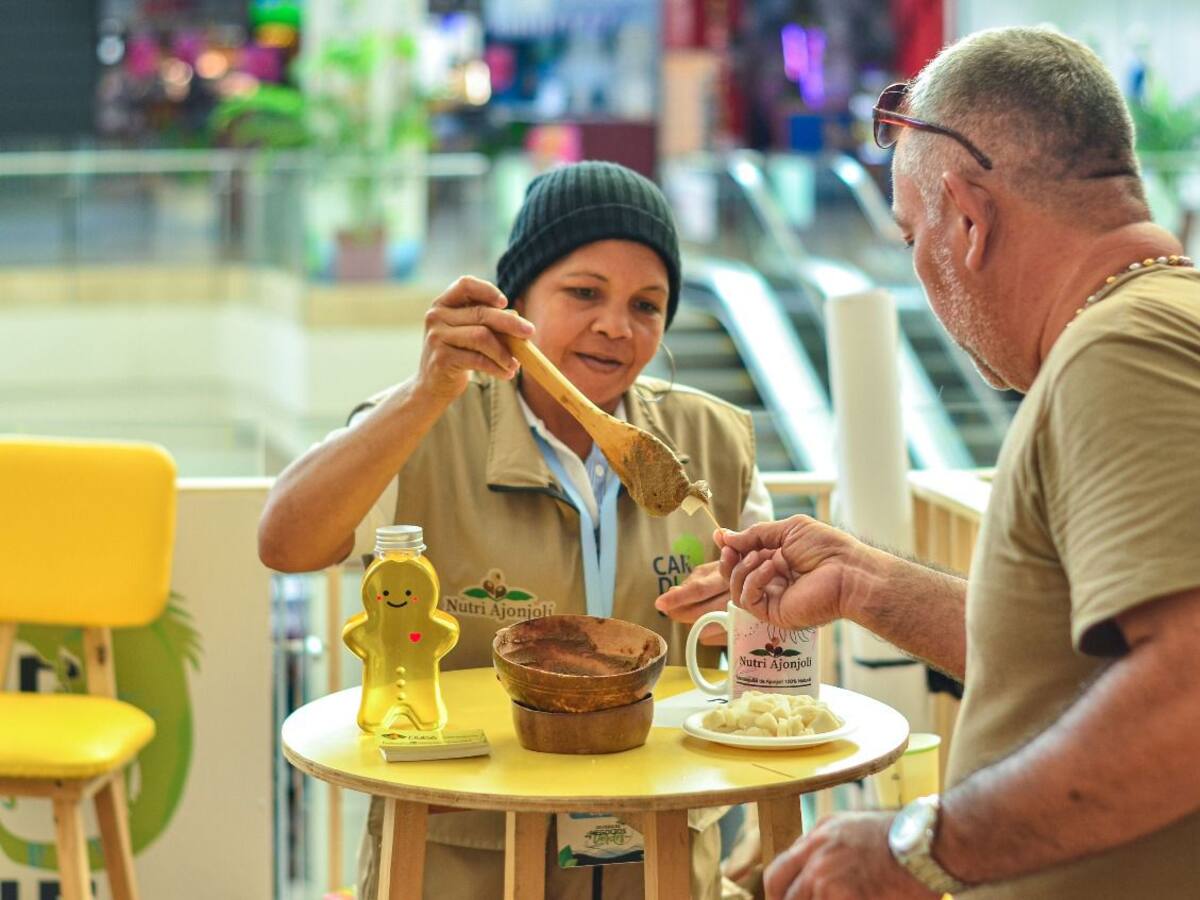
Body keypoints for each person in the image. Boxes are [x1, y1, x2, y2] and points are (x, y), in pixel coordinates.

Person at [660, 26, 1200, 899]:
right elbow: (1074, 663)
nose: (921, 270)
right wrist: (865, 582)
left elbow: (1188, 691)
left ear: (970, 218)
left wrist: (921, 847)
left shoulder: (1122, 352)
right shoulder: (1148, 329)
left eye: (914, 236)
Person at [258, 160, 774, 899]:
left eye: (647, 305)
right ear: (517, 301)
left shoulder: (708, 439)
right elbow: (286, 543)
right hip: (459, 853)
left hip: (653, 852)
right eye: (584, 293)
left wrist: (743, 616)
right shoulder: (427, 425)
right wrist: (425, 391)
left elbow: (771, 623)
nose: (616, 327)